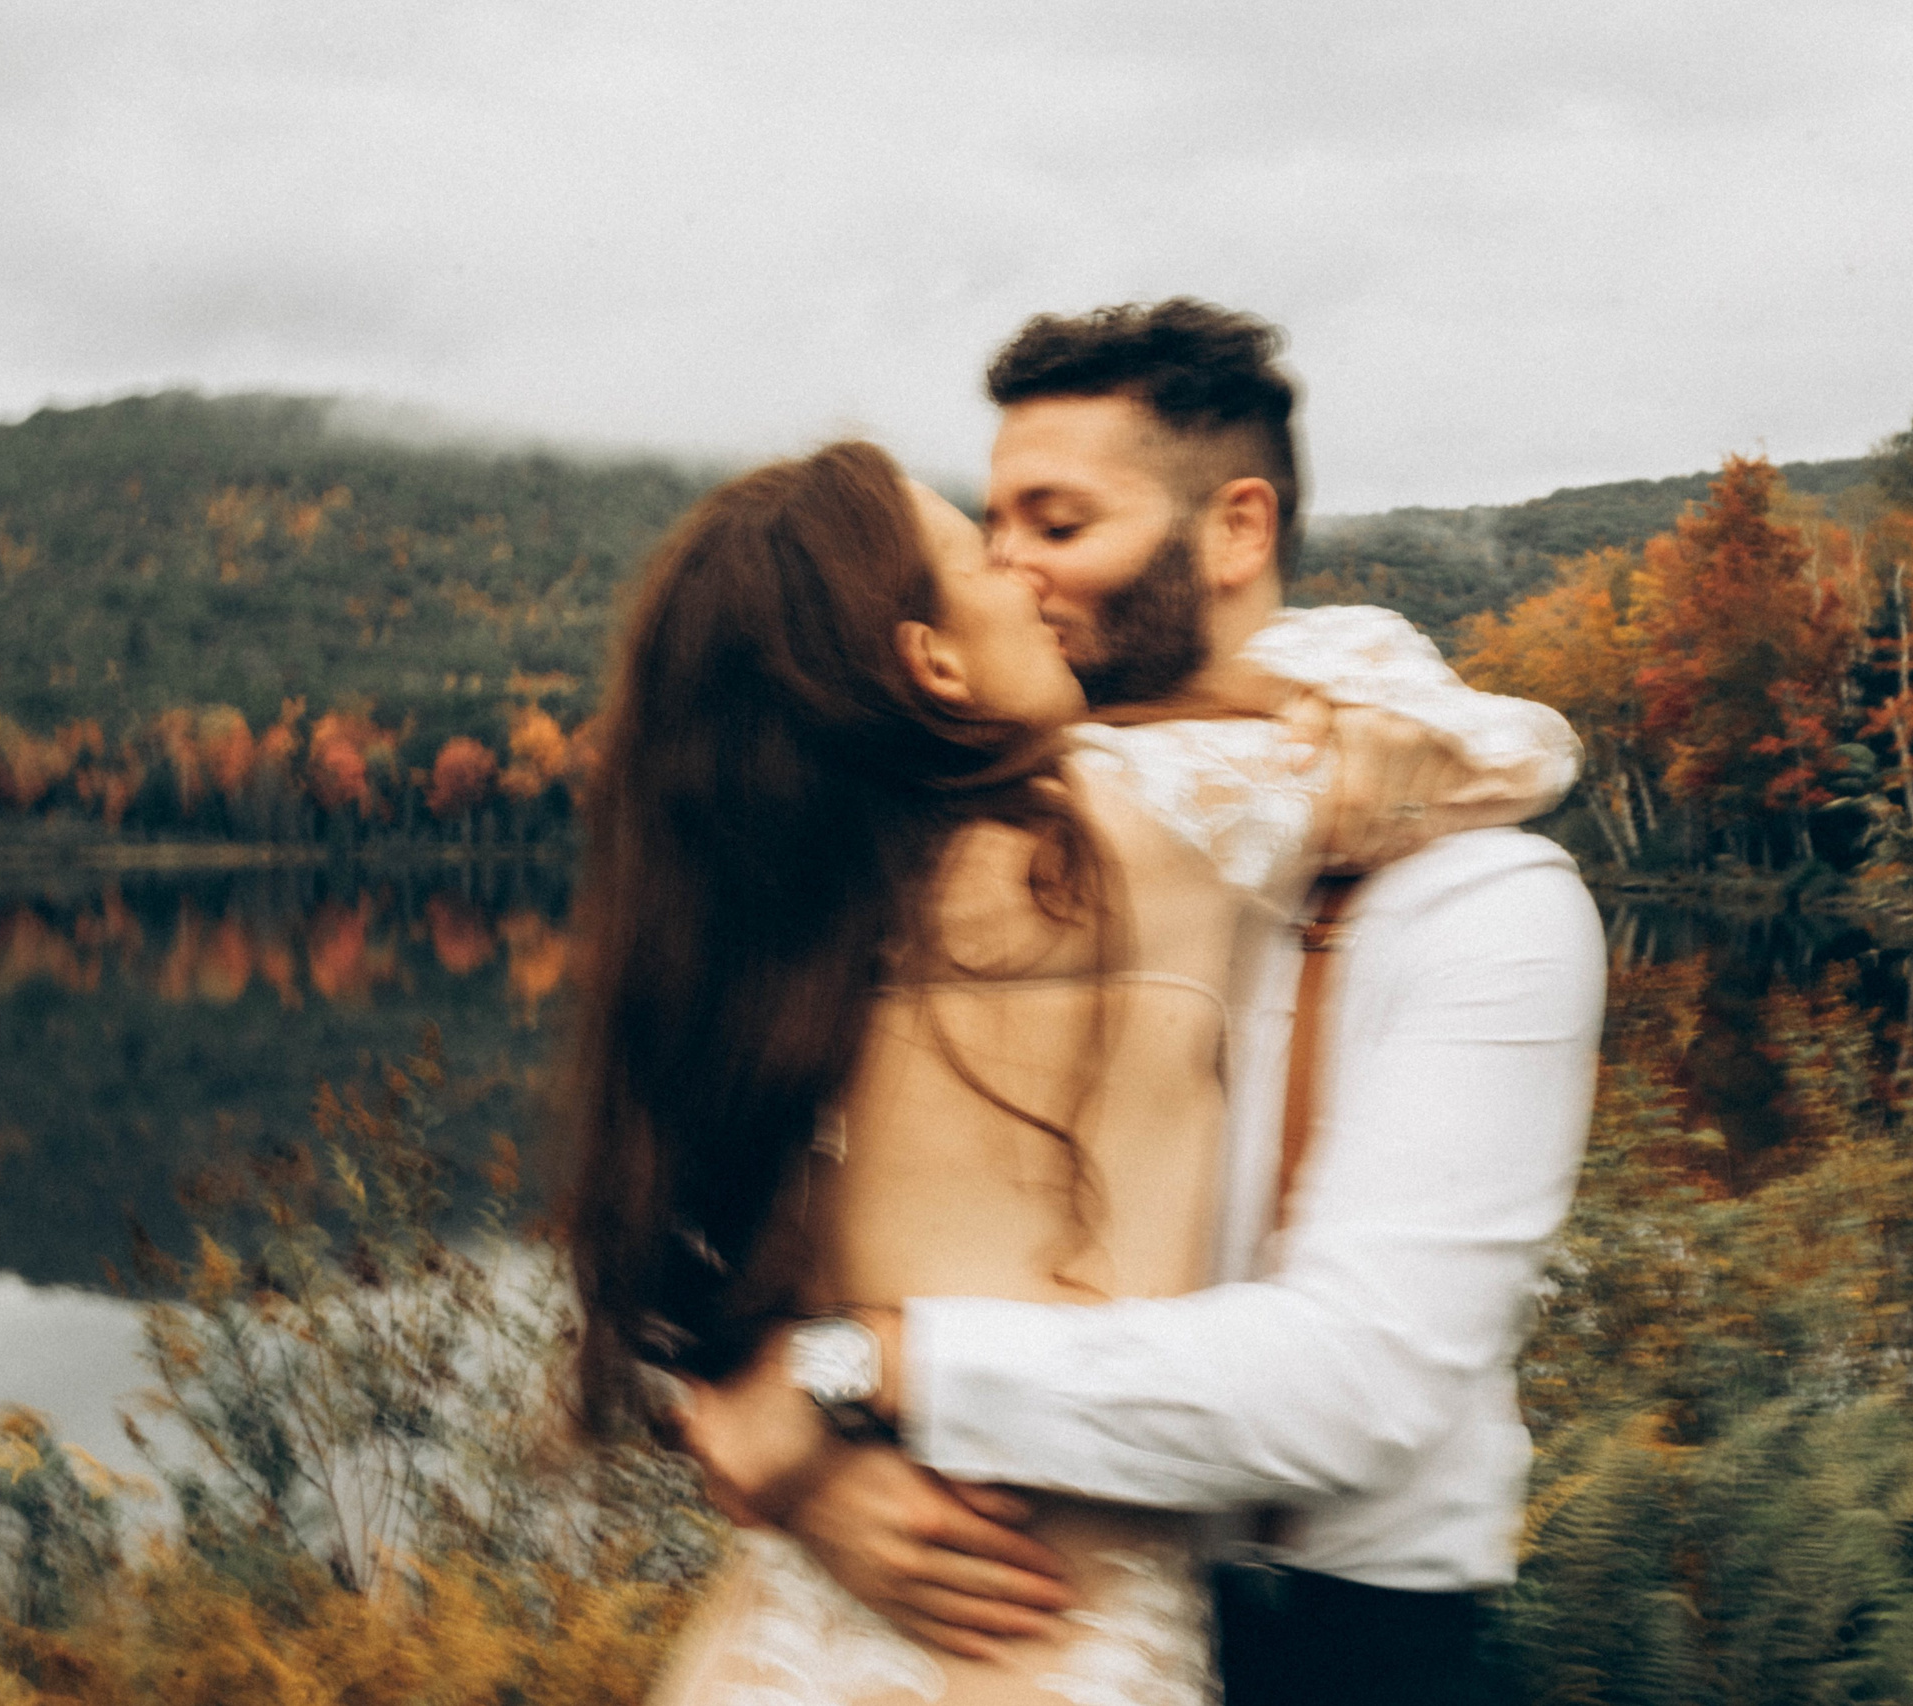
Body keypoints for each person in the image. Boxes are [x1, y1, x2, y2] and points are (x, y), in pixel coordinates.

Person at [680, 301, 1606, 1705]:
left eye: (1056, 525)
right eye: (989, 529)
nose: (1006, 571)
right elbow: (706, 1193)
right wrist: (800, 1471)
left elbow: (1353, 1384)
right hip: (976, 1585)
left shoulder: (1480, 901)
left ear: (1235, 531)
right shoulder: (942, 850)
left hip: (1332, 1643)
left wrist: (859, 1372)